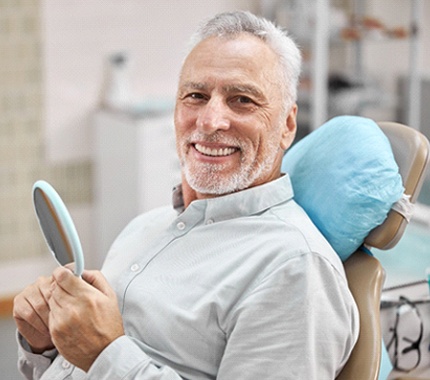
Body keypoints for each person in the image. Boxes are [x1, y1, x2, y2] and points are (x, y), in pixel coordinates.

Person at [13, 10, 359, 380]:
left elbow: (102, 358)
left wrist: (106, 354)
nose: (209, 121)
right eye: (195, 95)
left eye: (242, 100)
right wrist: (45, 346)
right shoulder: (144, 227)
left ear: (288, 125)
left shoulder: (294, 269)